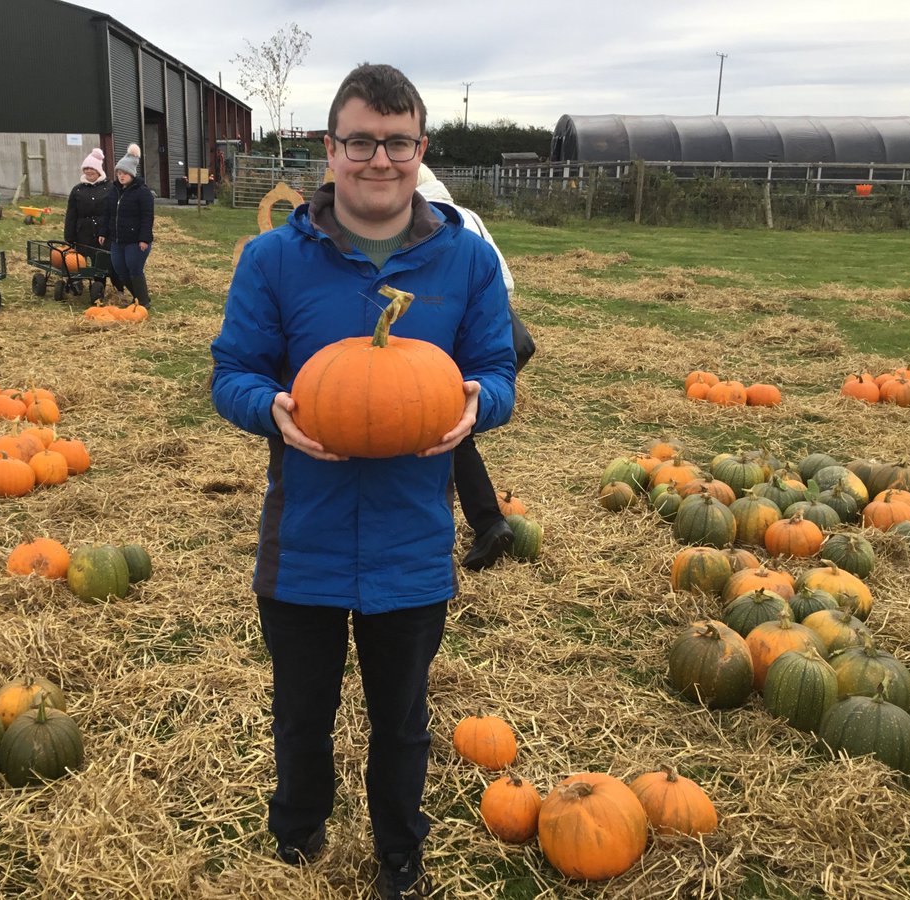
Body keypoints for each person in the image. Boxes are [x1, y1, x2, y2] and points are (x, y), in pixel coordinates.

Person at [210, 63, 515, 899]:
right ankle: (297, 832)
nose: (378, 160)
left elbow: (498, 368)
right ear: (330, 148)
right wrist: (269, 408)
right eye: (360, 143)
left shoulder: (464, 261)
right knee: (301, 709)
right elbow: (230, 372)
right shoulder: (274, 260)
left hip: (410, 541)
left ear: (421, 149)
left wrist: (479, 403)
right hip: (301, 537)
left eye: (396, 143)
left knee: (401, 719)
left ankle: (399, 853)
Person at [414, 165, 534, 570]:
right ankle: (487, 522)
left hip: (458, 345)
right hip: (498, 337)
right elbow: (507, 281)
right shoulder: (472, 216)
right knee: (456, 432)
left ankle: (485, 523)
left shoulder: (429, 223)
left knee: (446, 430)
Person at [98, 145, 153, 307]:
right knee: (120, 269)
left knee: (134, 269)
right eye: (119, 173)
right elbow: (108, 213)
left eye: (125, 173)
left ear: (132, 174)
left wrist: (144, 238)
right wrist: (103, 231)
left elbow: (147, 217)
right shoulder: (114, 191)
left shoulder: (142, 192)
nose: (121, 176)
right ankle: (138, 296)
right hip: (117, 239)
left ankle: (143, 302)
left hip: (135, 240)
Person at [62, 147, 120, 295]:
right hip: (83, 232)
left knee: (101, 261)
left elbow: (115, 212)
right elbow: (71, 214)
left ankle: (100, 287)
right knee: (79, 260)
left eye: (91, 168)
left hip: (103, 232)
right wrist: (69, 235)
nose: (88, 171)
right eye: (86, 168)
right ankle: (76, 283)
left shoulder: (110, 188)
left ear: (99, 170)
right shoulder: (78, 190)